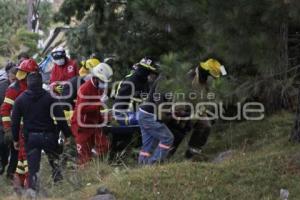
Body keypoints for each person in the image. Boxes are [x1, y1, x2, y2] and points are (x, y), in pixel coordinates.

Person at [11, 72, 71, 197]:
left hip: (31, 138)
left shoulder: (20, 100)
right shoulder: (50, 97)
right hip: (49, 136)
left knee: (33, 170)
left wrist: (15, 139)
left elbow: (15, 122)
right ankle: (60, 190)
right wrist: (67, 134)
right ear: (40, 82)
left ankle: (34, 194)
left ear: (28, 83)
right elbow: (60, 117)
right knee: (55, 164)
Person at [171, 58, 227, 159]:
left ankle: (192, 153)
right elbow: (179, 93)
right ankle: (165, 157)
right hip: (183, 109)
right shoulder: (190, 76)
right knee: (178, 134)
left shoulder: (207, 80)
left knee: (206, 126)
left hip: (198, 109)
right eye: (211, 76)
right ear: (205, 72)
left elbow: (210, 95)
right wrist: (181, 110)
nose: (213, 79)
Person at [0, 58, 38, 186]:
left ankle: (19, 185)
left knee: (21, 159)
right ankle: (29, 186)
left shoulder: (32, 86)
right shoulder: (14, 89)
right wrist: (8, 129)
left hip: (31, 127)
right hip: (20, 130)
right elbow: (5, 110)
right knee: (26, 157)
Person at [71, 63, 113, 165]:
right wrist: (100, 103)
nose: (104, 84)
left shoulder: (99, 88)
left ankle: (93, 160)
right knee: (84, 158)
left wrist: (102, 120)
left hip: (93, 124)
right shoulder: (84, 89)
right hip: (82, 126)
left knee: (104, 145)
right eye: (103, 81)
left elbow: (96, 108)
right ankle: (86, 172)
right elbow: (82, 109)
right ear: (95, 78)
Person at [0, 63, 17, 175]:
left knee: (16, 149)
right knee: (2, 145)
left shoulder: (21, 87)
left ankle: (10, 173)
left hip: (16, 123)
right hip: (2, 122)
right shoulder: (2, 87)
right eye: (12, 78)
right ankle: (3, 164)